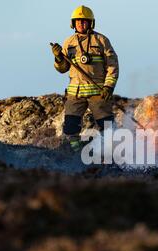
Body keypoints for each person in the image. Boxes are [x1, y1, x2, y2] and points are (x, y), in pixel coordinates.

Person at [51, 5, 119, 151]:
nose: (81, 24)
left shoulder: (101, 41)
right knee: (70, 127)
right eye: (78, 21)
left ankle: (113, 152)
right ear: (73, 24)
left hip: (98, 93)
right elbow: (62, 69)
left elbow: (113, 65)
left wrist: (108, 87)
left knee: (107, 126)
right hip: (75, 94)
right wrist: (58, 57)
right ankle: (75, 152)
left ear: (91, 23)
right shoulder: (68, 43)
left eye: (84, 21)